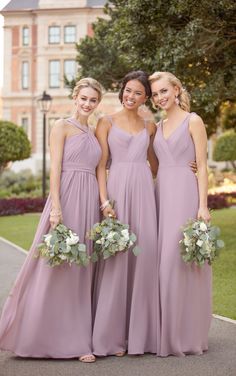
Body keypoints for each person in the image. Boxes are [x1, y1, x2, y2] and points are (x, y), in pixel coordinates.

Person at [0, 78, 102, 362]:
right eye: (83, 98)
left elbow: (105, 166)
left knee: (83, 269)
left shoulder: (94, 131)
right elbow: (54, 169)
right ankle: (40, 334)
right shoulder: (61, 126)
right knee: (56, 267)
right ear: (74, 97)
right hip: (66, 198)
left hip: (89, 200)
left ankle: (80, 337)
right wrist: (56, 207)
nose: (87, 104)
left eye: (93, 100)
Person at [92, 71, 160, 356]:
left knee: (143, 258)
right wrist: (105, 201)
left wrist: (187, 167)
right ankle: (112, 336)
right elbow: (101, 165)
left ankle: (140, 336)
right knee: (117, 260)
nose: (130, 97)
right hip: (117, 192)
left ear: (147, 98)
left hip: (144, 194)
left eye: (138, 93)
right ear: (122, 92)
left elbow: (156, 164)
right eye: (127, 91)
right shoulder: (105, 122)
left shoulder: (150, 125)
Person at [149, 71, 211, 357]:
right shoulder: (158, 127)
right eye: (156, 94)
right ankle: (165, 331)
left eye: (164, 91)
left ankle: (186, 334)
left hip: (186, 196)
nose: (160, 98)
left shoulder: (194, 120)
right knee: (162, 262)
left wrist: (202, 205)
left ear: (176, 89)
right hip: (162, 195)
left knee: (181, 261)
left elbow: (202, 165)